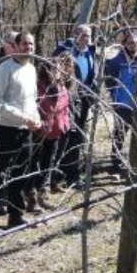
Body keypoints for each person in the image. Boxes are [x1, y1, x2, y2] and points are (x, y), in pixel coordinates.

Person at [0, 32, 42, 228]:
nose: (29, 48)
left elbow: (31, 100)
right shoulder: (5, 68)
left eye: (32, 44)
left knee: (21, 174)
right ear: (16, 46)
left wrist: (36, 118)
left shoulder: (32, 69)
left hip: (26, 130)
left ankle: (15, 216)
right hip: (7, 129)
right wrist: (23, 118)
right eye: (25, 44)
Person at [54, 24, 98, 186]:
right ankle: (61, 175)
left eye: (89, 35)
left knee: (78, 138)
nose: (87, 38)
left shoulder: (91, 52)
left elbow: (93, 75)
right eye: (84, 35)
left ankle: (72, 175)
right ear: (76, 35)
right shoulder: (64, 51)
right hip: (66, 100)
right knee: (66, 137)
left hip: (84, 101)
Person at [26, 57, 71, 213]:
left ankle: (43, 196)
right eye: (53, 68)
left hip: (57, 132)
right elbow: (35, 108)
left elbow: (65, 108)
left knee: (48, 165)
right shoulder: (39, 88)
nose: (57, 71)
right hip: (40, 134)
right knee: (35, 166)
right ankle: (31, 198)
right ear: (46, 70)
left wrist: (65, 124)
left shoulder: (62, 86)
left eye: (59, 68)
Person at [104, 30, 137, 172]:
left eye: (136, 42)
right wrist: (114, 94)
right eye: (131, 43)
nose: (134, 45)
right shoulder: (116, 61)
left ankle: (135, 163)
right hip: (122, 104)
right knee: (119, 134)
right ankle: (115, 162)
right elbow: (108, 78)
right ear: (125, 44)